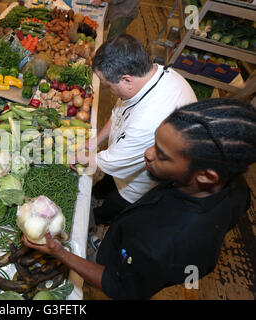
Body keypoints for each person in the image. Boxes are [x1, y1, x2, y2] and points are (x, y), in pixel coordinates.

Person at [25, 98, 256, 300]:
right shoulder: (233, 184)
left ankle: (102, 253)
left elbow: (119, 286)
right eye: (155, 142)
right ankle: (106, 247)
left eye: (162, 155)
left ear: (205, 176)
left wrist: (60, 253)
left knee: (111, 261)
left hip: (131, 265)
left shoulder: (162, 245)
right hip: (134, 247)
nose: (148, 153)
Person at [89, 34, 196, 226]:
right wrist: (94, 141)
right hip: (122, 162)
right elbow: (118, 114)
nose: (106, 89)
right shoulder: (152, 73)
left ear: (126, 80)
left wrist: (75, 158)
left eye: (107, 85)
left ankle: (96, 223)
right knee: (105, 185)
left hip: (136, 187)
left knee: (109, 210)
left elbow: (110, 161)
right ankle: (99, 192)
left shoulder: (148, 120)